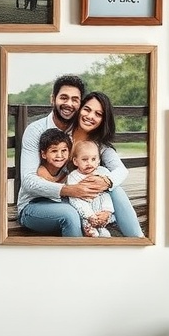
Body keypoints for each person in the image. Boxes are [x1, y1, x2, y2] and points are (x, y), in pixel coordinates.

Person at [16, 77, 143, 238]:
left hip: (71, 201)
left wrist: (106, 181)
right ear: (52, 98)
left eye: (98, 114)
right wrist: (70, 190)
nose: (90, 116)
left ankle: (138, 241)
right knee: (70, 214)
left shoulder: (93, 143)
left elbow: (121, 170)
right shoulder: (40, 131)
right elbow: (28, 181)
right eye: (63, 97)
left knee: (115, 189)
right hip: (35, 203)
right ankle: (77, 259)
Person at [67, 139, 116, 237]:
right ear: (76, 161)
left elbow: (110, 182)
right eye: (85, 160)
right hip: (84, 203)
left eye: (93, 159)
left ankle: (102, 223)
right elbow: (74, 196)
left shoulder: (102, 171)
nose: (89, 163)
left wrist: (107, 211)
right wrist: (89, 215)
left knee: (106, 196)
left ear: (98, 161)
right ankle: (89, 226)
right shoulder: (73, 176)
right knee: (76, 200)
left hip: (99, 203)